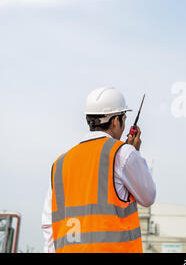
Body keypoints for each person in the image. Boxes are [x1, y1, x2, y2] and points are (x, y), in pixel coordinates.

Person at [41, 87, 156, 253]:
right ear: (116, 120)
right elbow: (148, 196)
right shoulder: (122, 153)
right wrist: (135, 154)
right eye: (124, 117)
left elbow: (48, 223)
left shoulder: (60, 163)